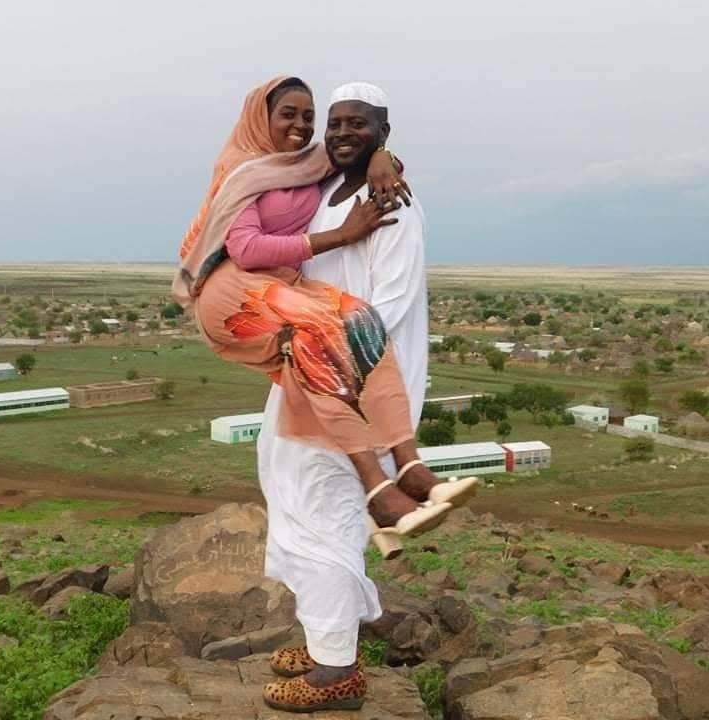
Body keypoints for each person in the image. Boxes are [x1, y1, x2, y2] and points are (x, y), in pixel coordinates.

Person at [172, 77, 476, 557]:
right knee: (329, 332)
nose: (302, 126)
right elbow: (245, 248)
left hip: (283, 291)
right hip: (232, 289)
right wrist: (342, 236)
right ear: (260, 118)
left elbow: (357, 153)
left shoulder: (309, 166)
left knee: (354, 321)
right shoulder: (241, 168)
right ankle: (380, 489)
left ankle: (407, 470)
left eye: (309, 117)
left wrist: (385, 156)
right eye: (288, 114)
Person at [256, 82, 435, 712]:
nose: (340, 133)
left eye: (358, 125)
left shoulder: (394, 205)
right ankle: (325, 636)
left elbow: (387, 308)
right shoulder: (330, 187)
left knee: (328, 505)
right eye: (334, 123)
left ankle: (338, 672)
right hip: (308, 367)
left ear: (383, 129)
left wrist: (317, 350)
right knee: (290, 489)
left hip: (357, 379)